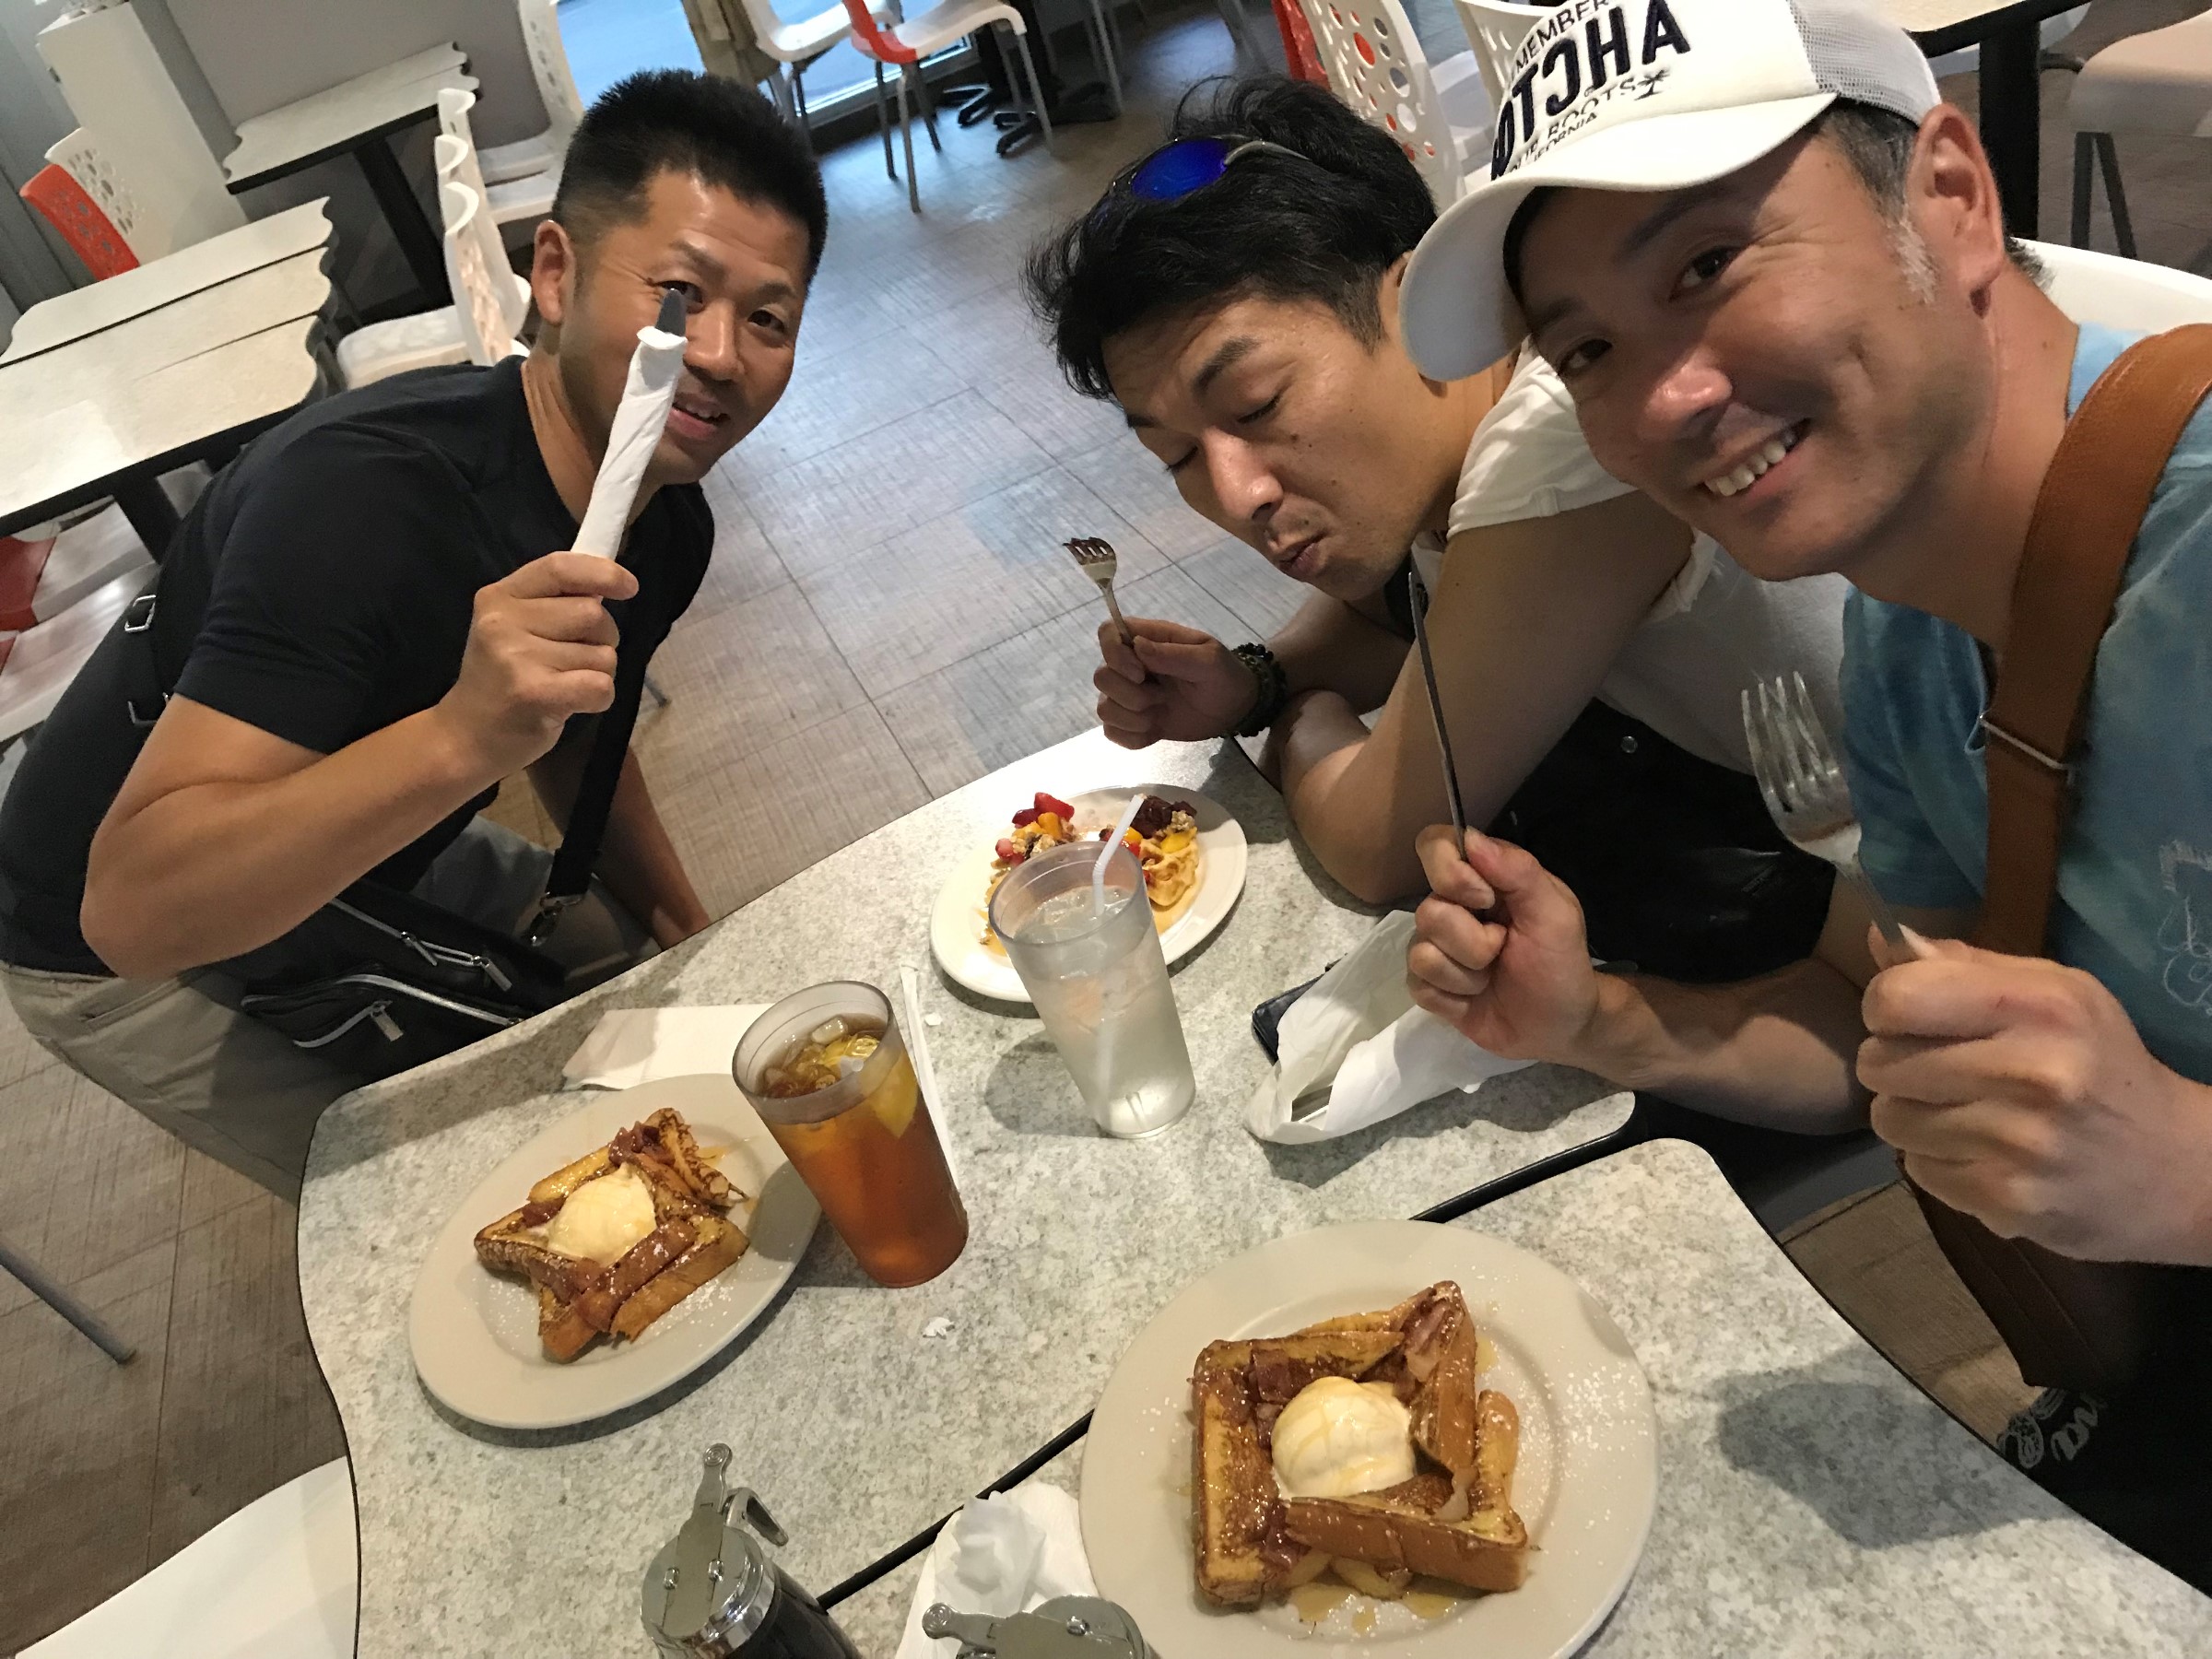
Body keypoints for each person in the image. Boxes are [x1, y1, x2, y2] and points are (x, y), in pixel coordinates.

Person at [1397, 0, 2212, 1585]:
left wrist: (2183, 1165)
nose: (1661, 404)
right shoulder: (1906, 635)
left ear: (1952, 198)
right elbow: (1896, 1056)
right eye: (1588, 351)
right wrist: (1593, 1020)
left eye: (1709, 264)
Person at [0, 68, 826, 1196]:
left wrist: (684, 928)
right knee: (461, 1199)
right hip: (117, 943)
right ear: (555, 274)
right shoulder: (359, 503)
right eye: (682, 294)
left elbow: (579, 729)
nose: (722, 353)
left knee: (626, 982)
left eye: (769, 318)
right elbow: (132, 912)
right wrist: (460, 737)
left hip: (385, 835)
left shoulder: (668, 525)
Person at [1024, 76, 1842, 985]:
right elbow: (1395, 617)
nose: (1236, 493)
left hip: (1901, 917)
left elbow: (1380, 841)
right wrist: (1251, 680)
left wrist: (1301, 722)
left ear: (1419, 309)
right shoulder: (1451, 441)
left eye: (1256, 405)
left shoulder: (1559, 443)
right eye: (1177, 456)